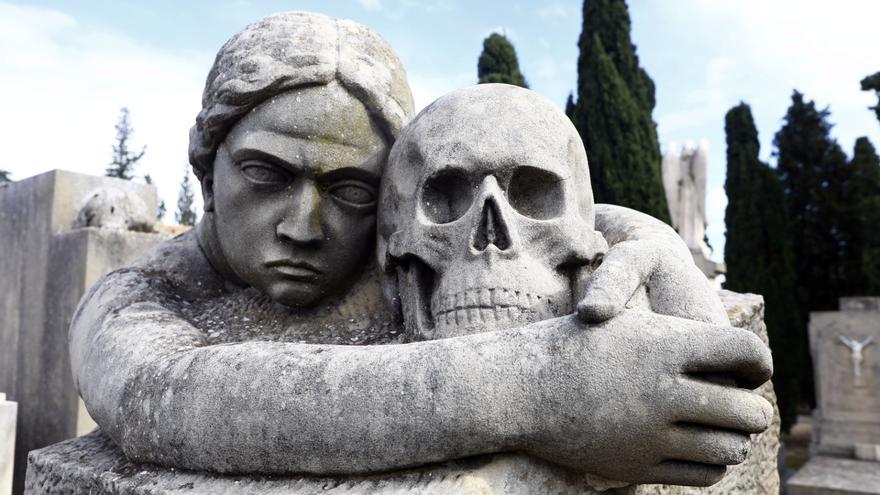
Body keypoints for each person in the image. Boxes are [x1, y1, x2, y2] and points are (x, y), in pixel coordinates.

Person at [70, 11, 771, 486]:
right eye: (268, 174)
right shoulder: (138, 297)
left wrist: (650, 239)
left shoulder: (400, 253)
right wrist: (539, 387)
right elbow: (155, 397)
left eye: (349, 190)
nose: (305, 227)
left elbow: (569, 213)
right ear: (205, 166)